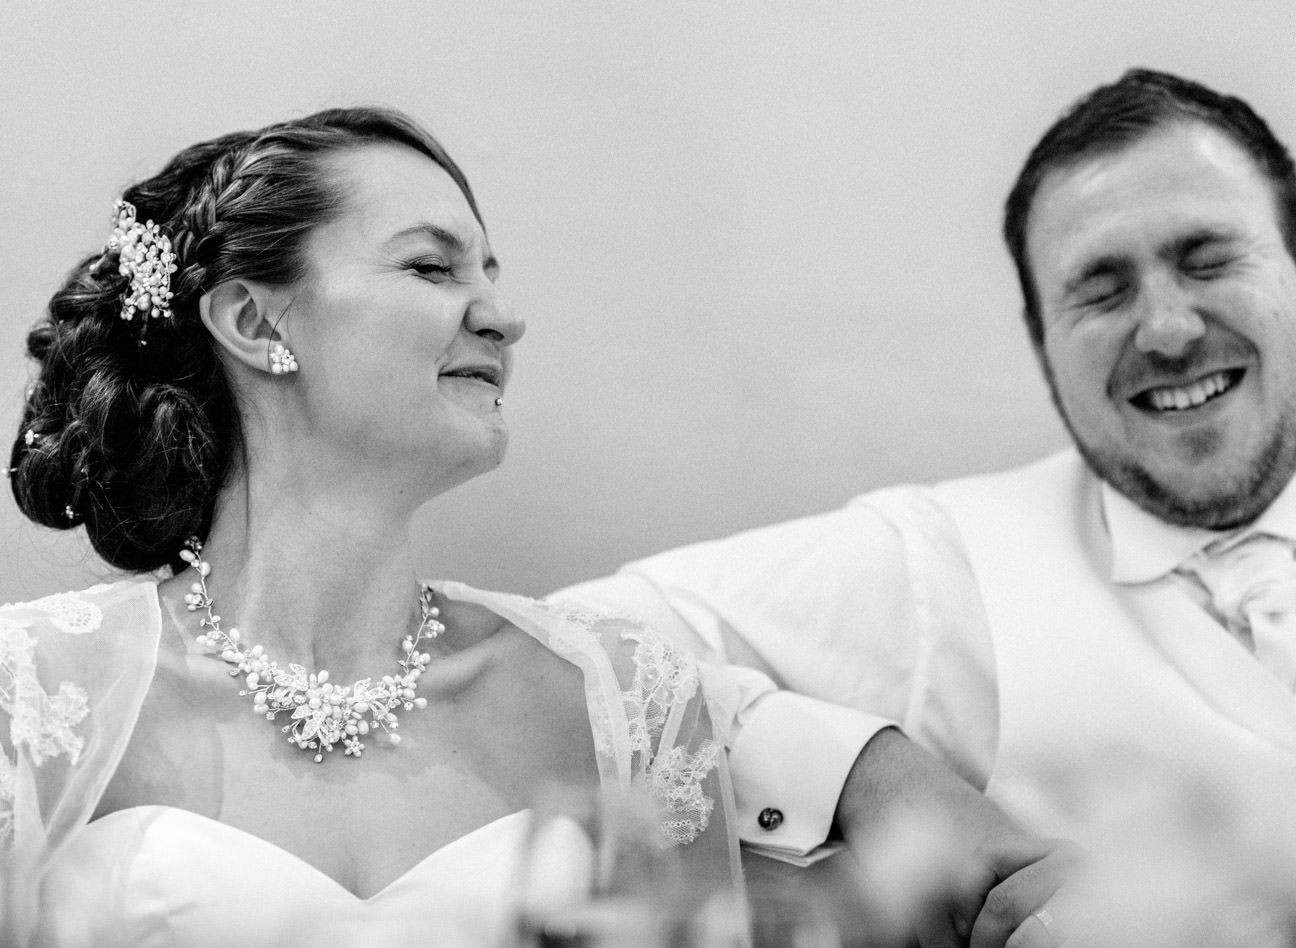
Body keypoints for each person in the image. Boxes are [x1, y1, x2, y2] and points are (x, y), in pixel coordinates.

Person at [556, 69, 1296, 944]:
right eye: (1100, 290)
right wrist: (865, 776)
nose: (1168, 329)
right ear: (1041, 339)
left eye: (1206, 258)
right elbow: (564, 645)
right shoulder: (932, 566)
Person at [0, 108, 745, 946]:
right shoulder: (31, 696)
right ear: (253, 322)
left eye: (489, 278)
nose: (502, 318)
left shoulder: (620, 697)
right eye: (431, 267)